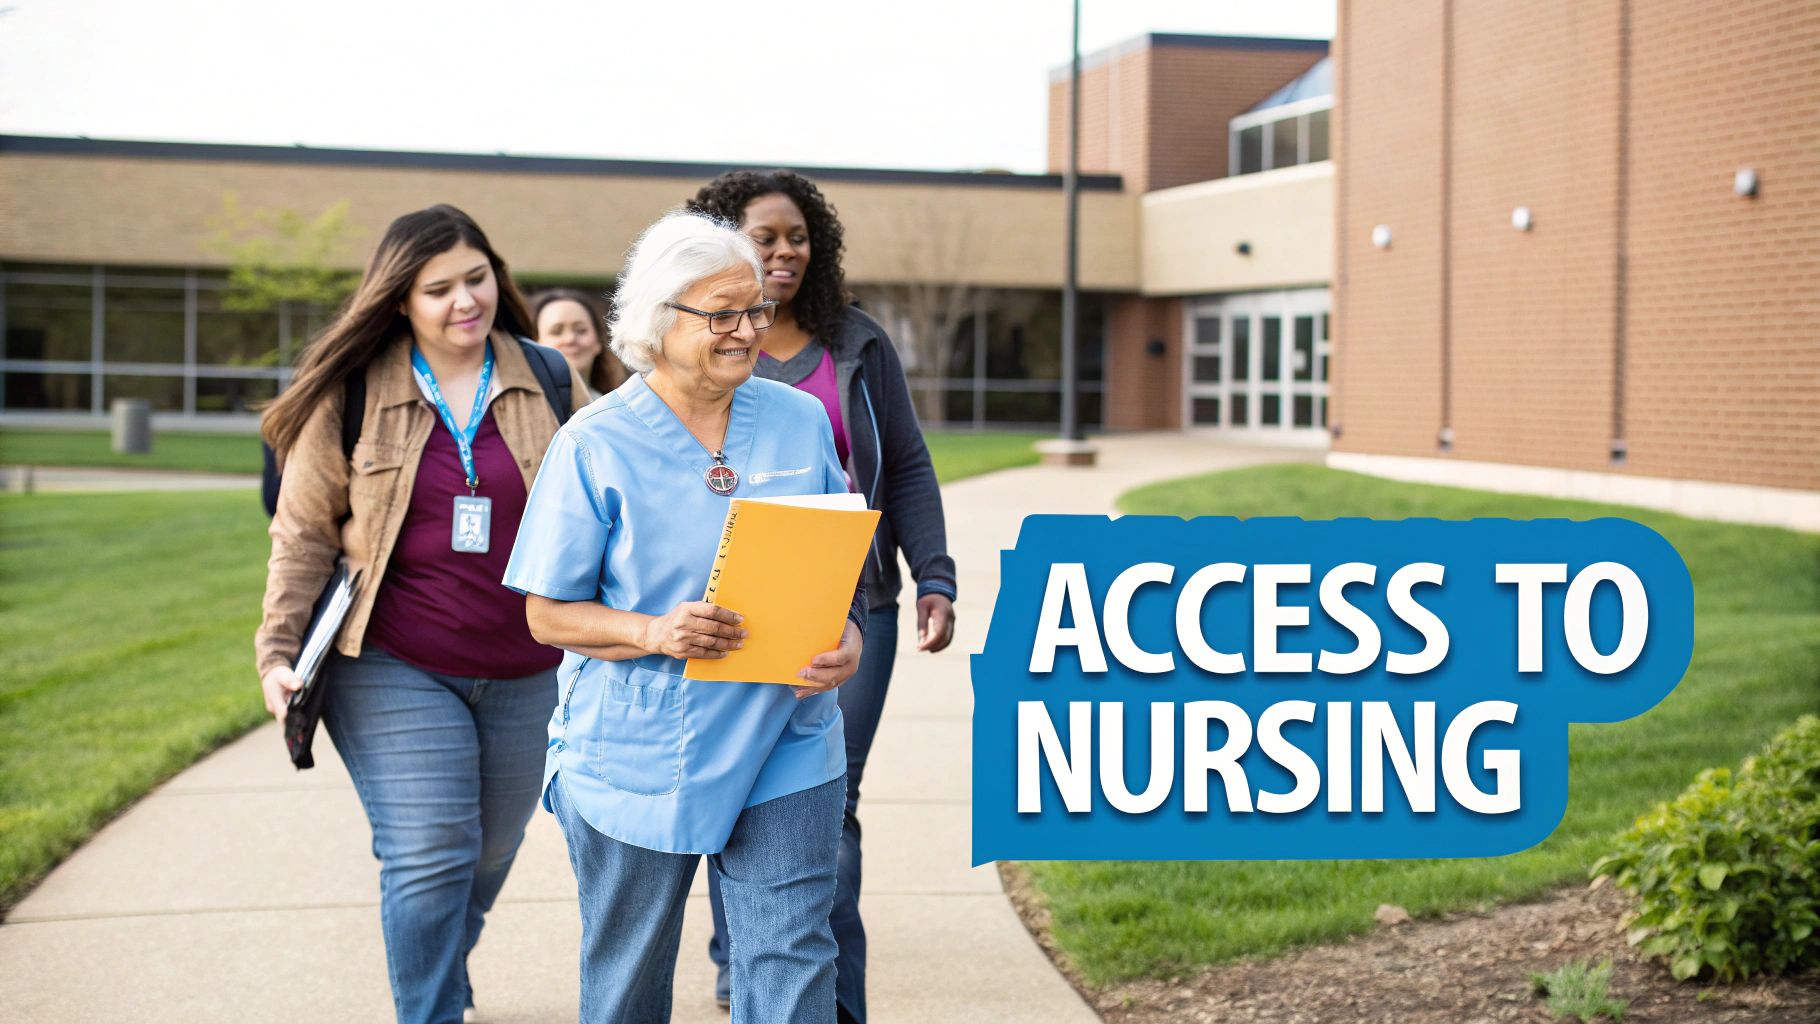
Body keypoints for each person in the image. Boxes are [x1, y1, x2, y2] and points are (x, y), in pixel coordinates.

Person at [502, 210, 865, 1023]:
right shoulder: (594, 443)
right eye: (723, 315)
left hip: (787, 731)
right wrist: (650, 631)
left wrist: (847, 638)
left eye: (756, 312)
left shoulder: (799, 419)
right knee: (630, 971)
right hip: (642, 746)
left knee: (791, 953)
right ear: (659, 322)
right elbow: (545, 615)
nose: (747, 331)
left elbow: (832, 567)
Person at [255, 204, 590, 1024]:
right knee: (430, 850)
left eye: (475, 279)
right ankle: (432, 1010)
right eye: (437, 289)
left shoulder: (547, 378)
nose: (462, 301)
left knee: (489, 850)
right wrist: (277, 653)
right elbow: (300, 534)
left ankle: (437, 964)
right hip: (393, 661)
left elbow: (615, 496)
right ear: (400, 298)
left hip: (527, 665)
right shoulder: (353, 390)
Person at [687, 169, 957, 1022]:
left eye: (797, 237)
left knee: (827, 800)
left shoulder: (857, 343)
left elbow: (906, 464)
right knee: (734, 787)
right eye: (764, 236)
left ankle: (830, 1002)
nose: (783, 251)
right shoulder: (695, 340)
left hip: (856, 602)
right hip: (728, 607)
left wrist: (934, 576)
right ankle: (746, 959)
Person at [530, 286, 626, 399]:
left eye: (581, 330)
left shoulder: (620, 405)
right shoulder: (522, 408)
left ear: (598, 342)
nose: (570, 339)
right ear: (534, 343)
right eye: (556, 332)